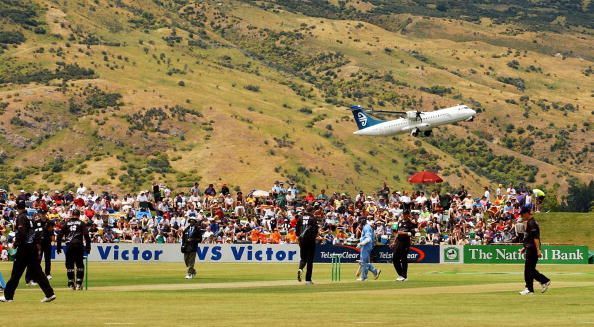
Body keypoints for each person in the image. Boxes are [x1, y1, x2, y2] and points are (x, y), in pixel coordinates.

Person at [0, 200, 56, 303]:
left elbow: (21, 233)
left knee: (16, 273)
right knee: (38, 273)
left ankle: (8, 296)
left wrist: (16, 243)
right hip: (32, 248)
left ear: (17, 208)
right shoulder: (31, 217)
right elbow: (36, 233)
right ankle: (50, 294)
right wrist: (37, 246)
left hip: (24, 248)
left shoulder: (21, 217)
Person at [57, 209, 91, 290]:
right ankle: (79, 284)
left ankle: (71, 284)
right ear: (79, 215)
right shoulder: (81, 223)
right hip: (78, 245)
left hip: (69, 246)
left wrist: (58, 246)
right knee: (79, 265)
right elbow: (86, 235)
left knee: (69, 265)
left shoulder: (66, 223)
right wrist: (88, 247)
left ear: (72, 214)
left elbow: (59, 236)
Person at [519, 207, 551, 295]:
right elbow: (529, 238)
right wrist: (524, 247)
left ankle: (530, 288)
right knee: (529, 270)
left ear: (526, 213)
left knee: (529, 270)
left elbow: (536, 238)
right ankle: (541, 282)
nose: (522, 216)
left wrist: (538, 250)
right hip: (530, 248)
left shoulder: (532, 223)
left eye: (522, 214)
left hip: (532, 249)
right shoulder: (530, 222)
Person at [296, 210, 318, 285]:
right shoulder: (313, 218)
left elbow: (297, 231)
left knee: (303, 258)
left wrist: (299, 238)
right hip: (310, 241)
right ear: (311, 212)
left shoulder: (300, 218)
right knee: (310, 261)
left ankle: (300, 269)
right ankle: (308, 280)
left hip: (302, 240)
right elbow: (316, 230)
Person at [392, 213, 416, 281]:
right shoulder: (399, 222)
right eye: (403, 214)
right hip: (398, 242)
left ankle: (404, 276)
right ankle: (400, 275)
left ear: (408, 215)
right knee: (394, 259)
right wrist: (394, 241)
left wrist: (404, 233)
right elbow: (397, 233)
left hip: (405, 243)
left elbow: (411, 233)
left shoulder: (410, 223)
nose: (403, 215)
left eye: (405, 214)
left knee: (403, 259)